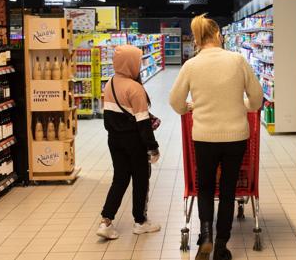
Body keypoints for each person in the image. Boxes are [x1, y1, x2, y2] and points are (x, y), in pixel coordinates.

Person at [169, 14, 263, 260]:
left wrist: (188, 108)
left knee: (206, 187)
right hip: (236, 137)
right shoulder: (238, 60)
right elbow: (256, 98)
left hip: (204, 137)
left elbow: (176, 102)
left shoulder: (191, 65)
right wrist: (243, 104)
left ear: (198, 39)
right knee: (228, 189)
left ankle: (206, 235)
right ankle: (222, 245)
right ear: (218, 35)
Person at [97, 45, 161, 239]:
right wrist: (153, 147)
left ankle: (106, 221)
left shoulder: (110, 83)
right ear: (130, 62)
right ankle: (140, 222)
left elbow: (109, 117)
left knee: (120, 178)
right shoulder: (135, 88)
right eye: (138, 60)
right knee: (141, 179)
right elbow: (143, 124)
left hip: (114, 140)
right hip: (134, 141)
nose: (140, 65)